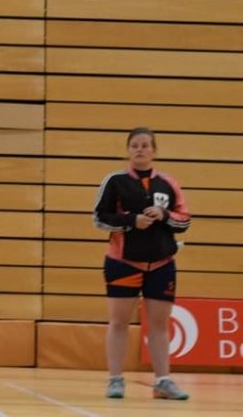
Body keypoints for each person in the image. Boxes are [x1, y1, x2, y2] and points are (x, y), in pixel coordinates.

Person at [93, 127, 191, 400]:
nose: (140, 149)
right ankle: (115, 379)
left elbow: (185, 220)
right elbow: (99, 218)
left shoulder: (168, 183)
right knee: (119, 322)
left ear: (154, 151)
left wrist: (164, 214)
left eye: (145, 145)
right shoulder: (115, 181)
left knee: (159, 325)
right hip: (123, 262)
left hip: (161, 264)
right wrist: (130, 221)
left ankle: (163, 381)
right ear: (128, 150)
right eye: (135, 145)